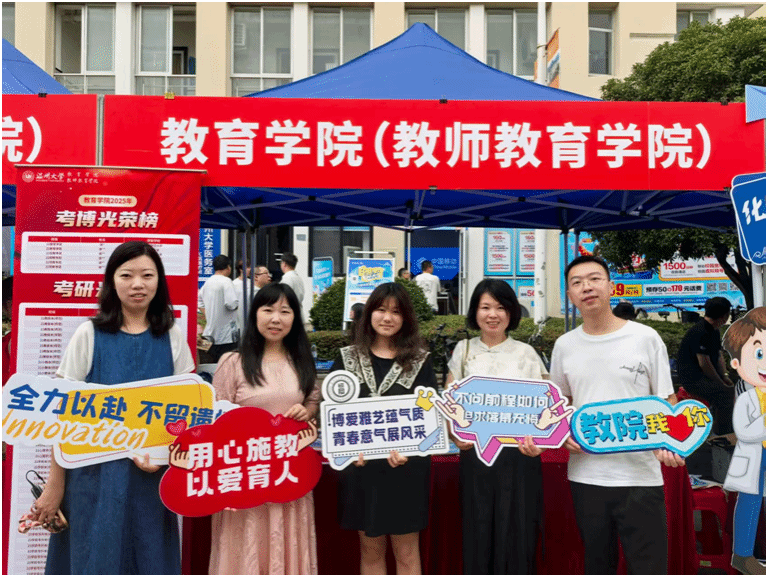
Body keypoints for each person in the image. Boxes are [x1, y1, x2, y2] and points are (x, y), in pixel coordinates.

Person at [31, 241, 195, 575]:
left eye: (147, 275)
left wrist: (167, 455)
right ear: (112, 281)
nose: (138, 284)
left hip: (151, 481)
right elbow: (61, 414)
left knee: (150, 560)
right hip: (92, 479)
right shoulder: (88, 334)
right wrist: (55, 485)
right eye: (127, 275)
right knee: (94, 559)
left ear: (159, 281)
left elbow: (186, 415)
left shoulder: (172, 336)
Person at [550, 255, 684, 576]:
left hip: (640, 475)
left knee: (649, 567)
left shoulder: (645, 338)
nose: (587, 287)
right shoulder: (564, 346)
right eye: (577, 283)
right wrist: (562, 432)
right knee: (597, 565)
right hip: (586, 475)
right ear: (569, 295)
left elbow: (666, 399)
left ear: (611, 286)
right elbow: (560, 404)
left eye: (594, 279)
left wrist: (673, 442)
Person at [440, 279, 552, 574]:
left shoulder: (526, 353)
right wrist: (455, 434)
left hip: (519, 457)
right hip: (476, 456)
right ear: (474, 312)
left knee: (518, 531)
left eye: (500, 307)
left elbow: (546, 407)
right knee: (478, 530)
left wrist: (540, 442)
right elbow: (450, 403)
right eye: (485, 307)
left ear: (511, 312)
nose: (493, 314)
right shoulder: (463, 350)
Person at [209, 283, 319, 574]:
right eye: (268, 310)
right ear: (254, 314)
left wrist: (306, 412)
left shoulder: (302, 361)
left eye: (285, 311)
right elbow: (215, 422)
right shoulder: (233, 362)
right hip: (244, 476)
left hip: (290, 474)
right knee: (245, 548)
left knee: (286, 544)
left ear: (295, 318)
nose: (276, 319)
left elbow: (312, 402)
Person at [331, 282, 437, 575]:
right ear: (369, 313)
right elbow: (333, 414)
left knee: (407, 552)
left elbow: (429, 416)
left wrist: (410, 451)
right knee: (370, 550)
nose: (387, 318)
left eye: (396, 312)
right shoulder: (347, 358)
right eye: (380, 309)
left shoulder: (419, 360)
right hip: (361, 468)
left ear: (406, 318)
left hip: (406, 469)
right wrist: (348, 450)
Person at [721, 307, 766, 576]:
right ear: (737, 363)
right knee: (750, 501)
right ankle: (743, 554)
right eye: (758, 354)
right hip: (755, 453)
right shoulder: (746, 390)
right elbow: (744, 430)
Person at [677, 296, 735, 435]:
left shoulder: (713, 331)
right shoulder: (700, 331)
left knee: (733, 386)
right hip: (694, 380)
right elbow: (704, 363)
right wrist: (720, 382)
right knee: (725, 395)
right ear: (724, 316)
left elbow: (718, 355)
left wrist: (725, 376)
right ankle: (722, 433)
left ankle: (724, 428)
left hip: (705, 377)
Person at [198, 254, 240, 362]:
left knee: (212, 364)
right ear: (228, 267)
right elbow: (232, 304)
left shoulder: (208, 282)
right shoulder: (226, 281)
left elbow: (199, 302)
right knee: (227, 364)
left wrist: (208, 314)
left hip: (210, 333)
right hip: (227, 335)